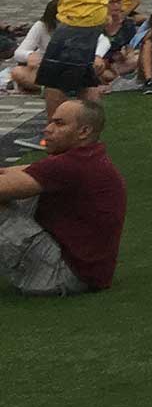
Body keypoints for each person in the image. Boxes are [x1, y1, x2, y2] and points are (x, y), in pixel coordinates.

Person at [0, 100, 125, 297]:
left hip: (64, 275)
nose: (47, 129)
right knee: (24, 191)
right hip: (87, 273)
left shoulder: (69, 166)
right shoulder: (89, 157)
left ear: (83, 132)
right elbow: (13, 172)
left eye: (59, 124)